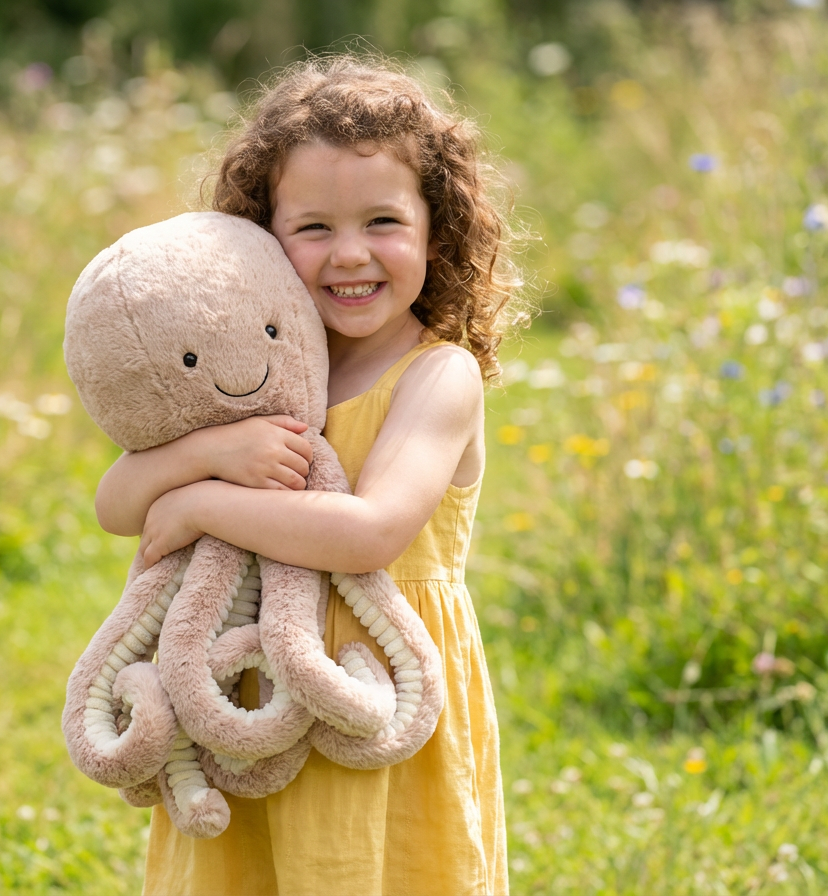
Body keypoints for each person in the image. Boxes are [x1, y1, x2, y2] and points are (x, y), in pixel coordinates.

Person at [94, 55, 521, 896]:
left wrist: (203, 504)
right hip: (252, 690)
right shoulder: (258, 376)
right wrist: (201, 458)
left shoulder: (439, 377)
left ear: (437, 230)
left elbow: (371, 532)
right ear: (260, 236)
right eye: (314, 227)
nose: (350, 255)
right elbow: (117, 504)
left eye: (383, 223)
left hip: (379, 692)